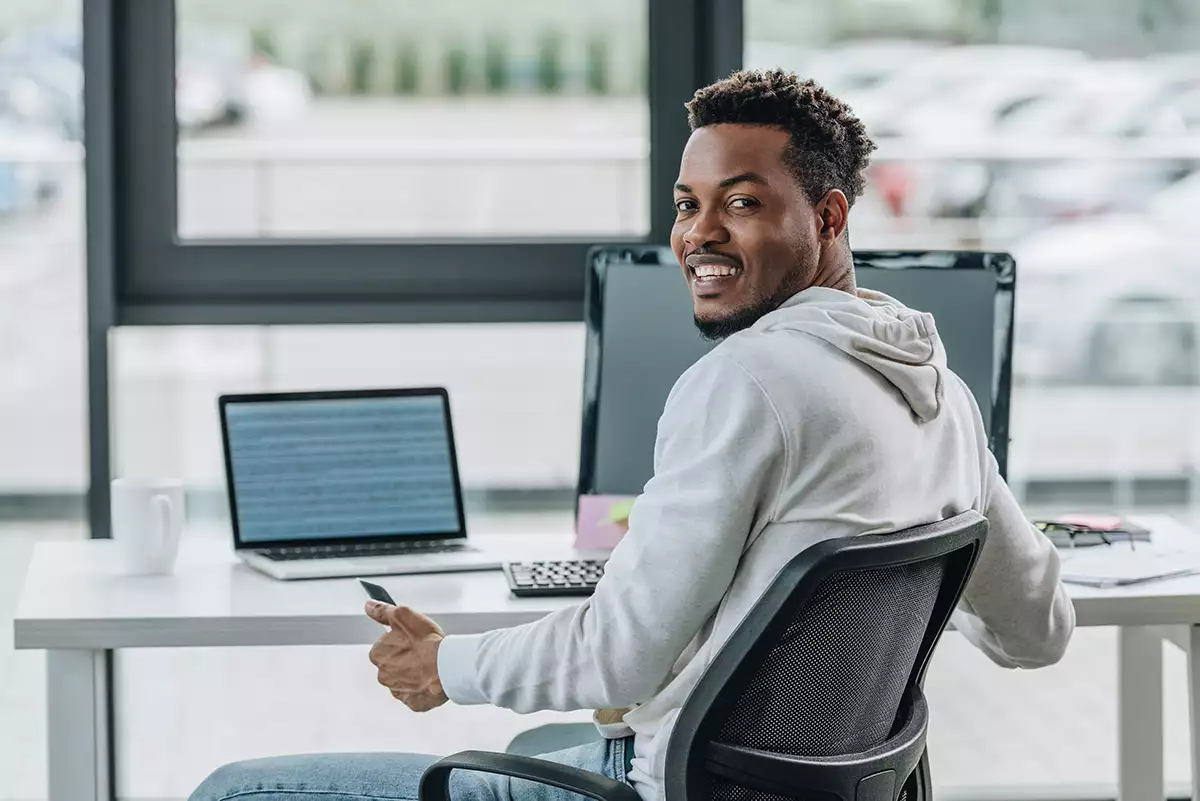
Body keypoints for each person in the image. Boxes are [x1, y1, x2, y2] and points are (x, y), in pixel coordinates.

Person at [191, 69, 1074, 801]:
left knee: (237, 788)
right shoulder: (943, 397)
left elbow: (619, 656)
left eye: (742, 203)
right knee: (562, 726)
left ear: (831, 217)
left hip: (668, 790)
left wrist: (445, 665)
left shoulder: (749, 382)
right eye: (688, 204)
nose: (700, 235)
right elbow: (1038, 629)